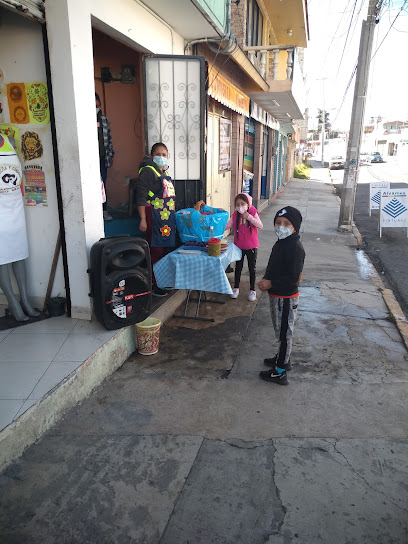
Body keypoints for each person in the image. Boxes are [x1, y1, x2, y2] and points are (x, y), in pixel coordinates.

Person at [258, 206, 305, 385]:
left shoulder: (295, 247)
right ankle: (282, 358)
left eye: (286, 223)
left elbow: (294, 277)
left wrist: (271, 283)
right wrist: (267, 277)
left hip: (286, 297)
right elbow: (274, 266)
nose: (281, 226)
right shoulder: (282, 242)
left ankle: (280, 372)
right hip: (276, 296)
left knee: (285, 333)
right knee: (280, 330)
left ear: (295, 227)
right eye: (278, 223)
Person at [0, 134, 40, 321]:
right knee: (2, 257)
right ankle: (13, 303)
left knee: (19, 254)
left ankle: (24, 300)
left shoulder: (9, 141)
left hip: (15, 208)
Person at [135, 142, 176, 296]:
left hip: (164, 219)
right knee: (154, 251)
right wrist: (143, 219)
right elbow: (141, 196)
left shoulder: (162, 173)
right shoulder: (148, 171)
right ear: (151, 156)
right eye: (158, 154)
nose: (161, 157)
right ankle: (152, 284)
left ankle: (161, 280)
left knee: (163, 251)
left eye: (164, 155)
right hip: (152, 217)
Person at [225, 193, 263, 301]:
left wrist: (249, 217)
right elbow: (228, 225)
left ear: (248, 204)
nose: (240, 206)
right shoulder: (235, 214)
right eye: (237, 204)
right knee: (238, 267)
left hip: (251, 246)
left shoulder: (253, 212)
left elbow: (260, 225)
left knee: (252, 268)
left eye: (242, 204)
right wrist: (216, 227)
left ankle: (252, 290)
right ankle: (236, 288)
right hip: (239, 246)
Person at [96, 93, 114, 221]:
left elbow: (109, 138)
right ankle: (94, 212)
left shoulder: (103, 119)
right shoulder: (84, 119)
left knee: (102, 185)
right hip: (89, 161)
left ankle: (104, 211)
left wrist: (111, 154)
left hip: (102, 158)